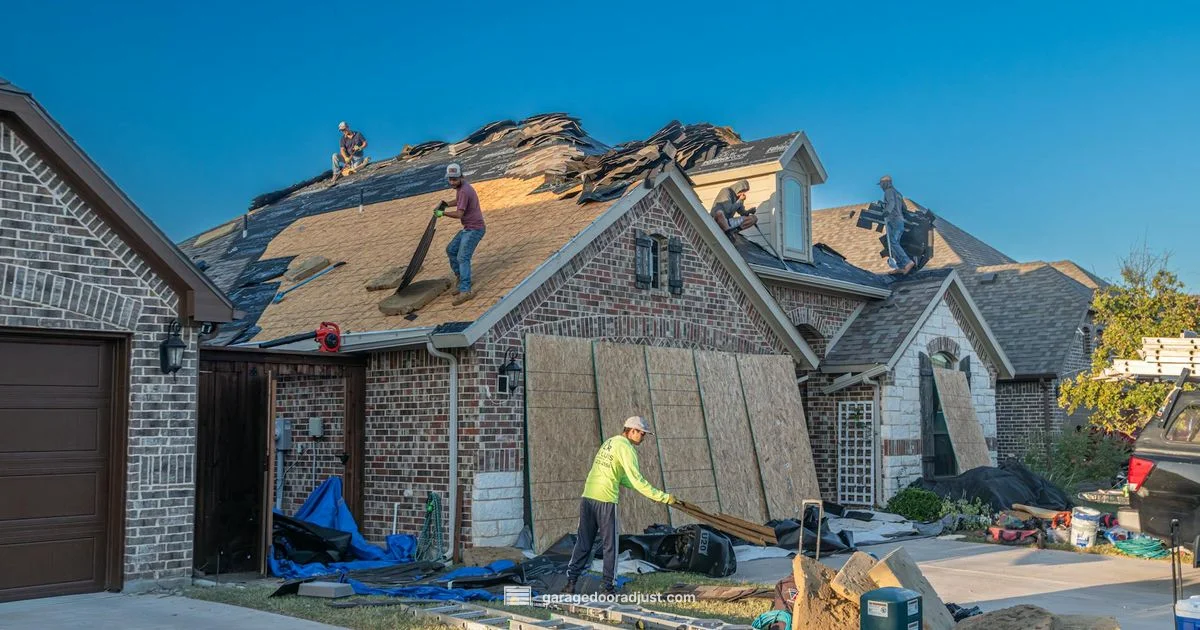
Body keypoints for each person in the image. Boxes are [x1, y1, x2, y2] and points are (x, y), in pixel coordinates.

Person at [565, 416, 676, 595]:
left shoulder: (610, 442)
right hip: (606, 499)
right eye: (642, 433)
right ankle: (608, 588)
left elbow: (622, 478)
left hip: (588, 497)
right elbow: (636, 479)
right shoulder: (626, 448)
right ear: (631, 431)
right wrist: (662, 497)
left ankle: (570, 583)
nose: (643, 437)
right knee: (611, 546)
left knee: (584, 542)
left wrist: (650, 494)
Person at [439, 163, 485, 305]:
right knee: (451, 250)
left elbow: (459, 214)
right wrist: (446, 203)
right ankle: (461, 279)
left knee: (462, 257)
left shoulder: (464, 190)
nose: (452, 182)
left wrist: (443, 213)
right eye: (450, 179)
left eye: (455, 179)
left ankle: (466, 290)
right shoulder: (461, 188)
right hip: (468, 228)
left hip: (474, 229)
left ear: (461, 177)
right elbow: (459, 201)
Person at [878, 175, 915, 274]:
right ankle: (902, 266)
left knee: (892, 241)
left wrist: (887, 211)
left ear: (885, 183)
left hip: (893, 220)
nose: (881, 187)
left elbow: (891, 202)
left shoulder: (888, 191)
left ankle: (907, 262)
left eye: (881, 184)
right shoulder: (898, 193)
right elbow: (905, 208)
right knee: (895, 243)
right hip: (900, 221)